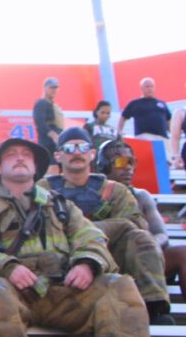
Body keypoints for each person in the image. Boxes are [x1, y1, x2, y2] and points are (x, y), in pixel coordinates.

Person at [0, 136, 150, 337]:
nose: (20, 158)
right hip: (13, 292)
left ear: (35, 166)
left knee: (120, 285)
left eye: (26, 155)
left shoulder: (61, 206)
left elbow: (90, 235)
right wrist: (6, 266)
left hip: (66, 290)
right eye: (11, 155)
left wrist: (86, 263)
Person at [43, 127, 172, 326]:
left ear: (92, 154)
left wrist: (82, 229)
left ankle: (154, 307)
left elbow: (133, 224)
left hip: (109, 258)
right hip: (59, 256)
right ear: (58, 155)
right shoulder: (42, 190)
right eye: (69, 148)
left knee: (141, 237)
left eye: (83, 147)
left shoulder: (115, 191)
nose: (77, 152)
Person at [99, 138, 186, 309]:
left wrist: (148, 246)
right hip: (110, 259)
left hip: (147, 258)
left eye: (132, 161)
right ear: (104, 165)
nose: (128, 167)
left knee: (183, 253)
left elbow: (161, 234)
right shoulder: (92, 195)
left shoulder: (142, 196)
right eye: (121, 162)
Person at [32, 77, 63, 170]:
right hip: (47, 142)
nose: (54, 90)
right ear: (45, 88)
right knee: (50, 166)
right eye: (51, 87)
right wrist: (53, 135)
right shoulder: (41, 103)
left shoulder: (53, 105)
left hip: (55, 142)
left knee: (57, 165)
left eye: (55, 88)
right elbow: (40, 123)